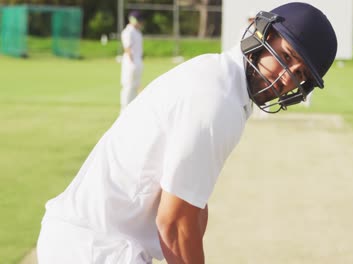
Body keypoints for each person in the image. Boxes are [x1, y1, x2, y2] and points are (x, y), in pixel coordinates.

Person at [37, 2, 337, 263]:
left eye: (299, 74)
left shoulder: (220, 78)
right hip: (97, 249)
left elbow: (193, 203)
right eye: (285, 56)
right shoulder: (218, 100)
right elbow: (174, 224)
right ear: (263, 35)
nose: (285, 78)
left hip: (89, 242)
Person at [120, 11, 144, 112]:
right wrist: (132, 64)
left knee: (135, 87)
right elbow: (127, 48)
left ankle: (132, 110)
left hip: (137, 62)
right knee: (128, 87)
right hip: (130, 64)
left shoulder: (137, 32)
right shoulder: (128, 31)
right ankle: (124, 111)